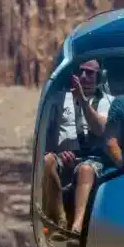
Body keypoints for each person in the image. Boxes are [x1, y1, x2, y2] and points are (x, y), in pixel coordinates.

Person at [40, 58, 112, 231]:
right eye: (81, 72)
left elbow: (100, 129)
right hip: (64, 156)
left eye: (90, 73)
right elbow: (46, 134)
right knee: (47, 161)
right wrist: (58, 151)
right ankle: (59, 217)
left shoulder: (108, 101)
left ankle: (77, 227)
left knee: (85, 170)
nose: (84, 76)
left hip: (92, 160)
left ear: (100, 76)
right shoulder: (59, 99)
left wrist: (82, 100)